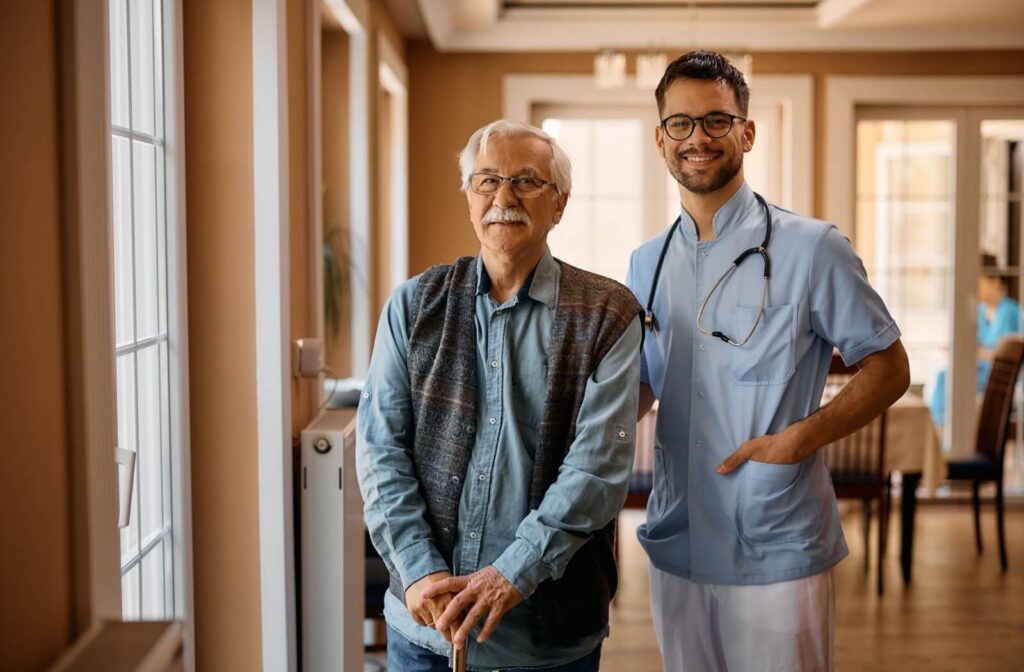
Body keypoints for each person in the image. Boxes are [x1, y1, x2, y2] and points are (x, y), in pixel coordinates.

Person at [624, 51, 911, 671]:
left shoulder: (813, 248)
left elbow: (890, 368)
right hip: (677, 540)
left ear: (746, 131)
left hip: (774, 534)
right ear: (660, 139)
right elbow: (645, 385)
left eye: (717, 121)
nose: (697, 137)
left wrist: (799, 439)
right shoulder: (645, 265)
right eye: (680, 123)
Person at [357, 119, 643, 671]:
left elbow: (596, 473)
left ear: (558, 204)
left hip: (548, 642)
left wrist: (509, 575)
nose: (503, 198)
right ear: (468, 196)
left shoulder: (609, 315)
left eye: (526, 181)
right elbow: (380, 451)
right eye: (486, 180)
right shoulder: (413, 306)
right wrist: (419, 569)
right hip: (424, 632)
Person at [929, 253, 1022, 429]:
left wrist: (976, 352)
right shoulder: (980, 311)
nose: (973, 286)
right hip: (979, 370)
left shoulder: (1008, 311)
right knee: (944, 375)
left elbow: (1007, 357)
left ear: (994, 282)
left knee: (946, 378)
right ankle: (942, 428)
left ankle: (940, 431)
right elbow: (973, 345)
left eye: (977, 280)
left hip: (999, 376)